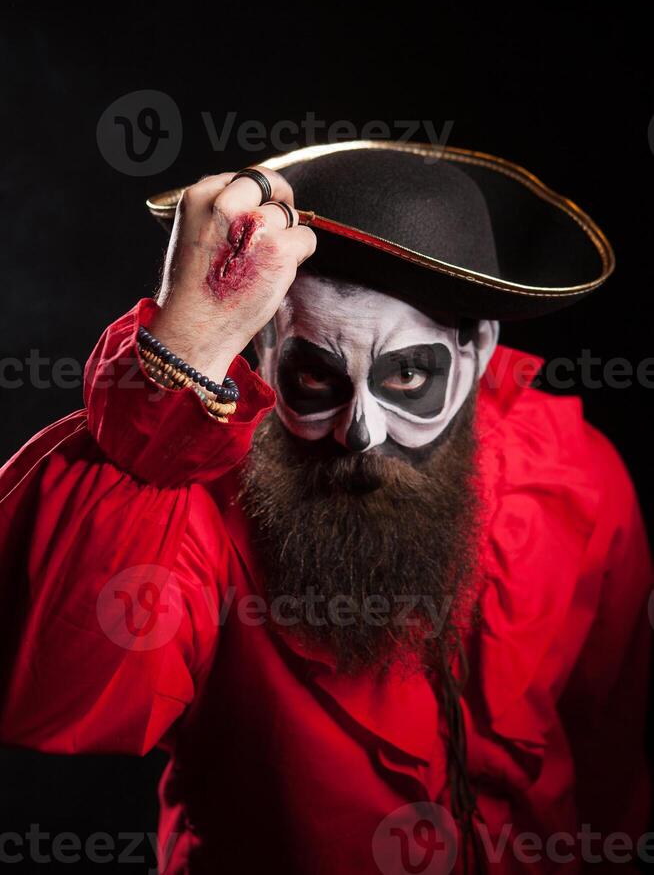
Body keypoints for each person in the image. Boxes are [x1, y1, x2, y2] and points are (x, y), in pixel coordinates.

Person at [0, 142, 650, 874]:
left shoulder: (578, 476)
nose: (360, 432)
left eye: (406, 373)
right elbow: (55, 699)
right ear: (269, 349)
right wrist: (182, 349)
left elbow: (615, 754)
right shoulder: (194, 505)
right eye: (315, 375)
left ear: (474, 354)